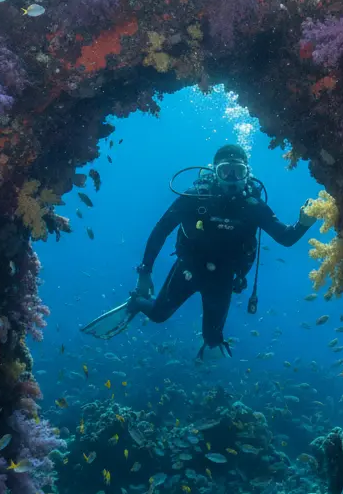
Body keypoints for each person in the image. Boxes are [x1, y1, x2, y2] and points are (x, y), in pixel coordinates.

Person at [129, 144, 318, 357]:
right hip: (188, 269)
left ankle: (209, 347)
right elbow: (161, 230)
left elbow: (285, 237)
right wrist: (144, 272)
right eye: (225, 170)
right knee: (157, 315)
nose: (231, 177)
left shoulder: (254, 206)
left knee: (212, 338)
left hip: (223, 278)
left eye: (238, 171)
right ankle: (135, 302)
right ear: (215, 172)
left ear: (247, 174)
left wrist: (303, 224)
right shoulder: (195, 197)